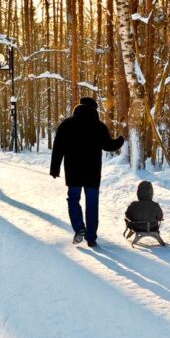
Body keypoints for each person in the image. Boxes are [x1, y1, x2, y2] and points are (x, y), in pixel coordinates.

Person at [50, 97, 124, 247]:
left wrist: (55, 168)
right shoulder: (99, 126)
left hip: (73, 172)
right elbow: (108, 145)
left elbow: (58, 148)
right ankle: (91, 238)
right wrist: (120, 140)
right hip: (92, 173)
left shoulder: (66, 125)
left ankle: (79, 228)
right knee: (92, 203)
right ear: (94, 110)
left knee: (73, 200)